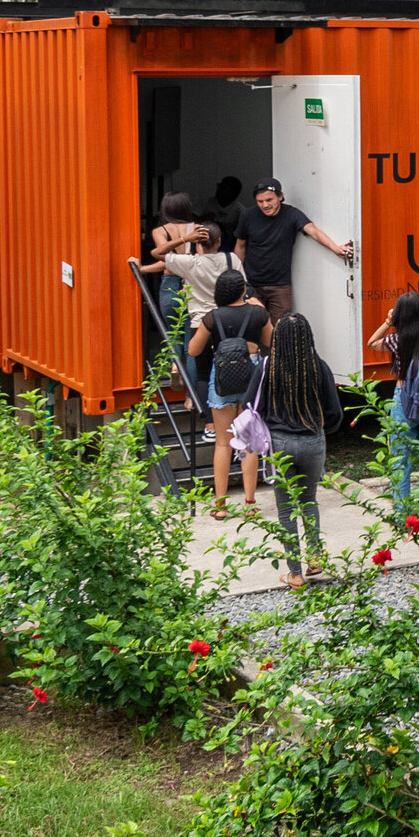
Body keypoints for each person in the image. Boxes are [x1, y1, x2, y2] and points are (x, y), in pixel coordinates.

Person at [248, 313, 344, 589]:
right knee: (310, 500)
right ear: (307, 337)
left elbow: (250, 405)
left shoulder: (268, 367)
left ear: (278, 338)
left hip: (280, 443)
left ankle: (295, 573)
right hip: (313, 440)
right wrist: (320, 431)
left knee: (286, 508)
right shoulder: (319, 367)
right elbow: (334, 412)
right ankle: (315, 557)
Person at [188, 270, 271, 519]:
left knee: (223, 443)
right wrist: (259, 309)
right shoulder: (258, 313)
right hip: (251, 378)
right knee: (248, 441)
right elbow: (273, 340)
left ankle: (220, 505)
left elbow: (193, 350)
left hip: (222, 377)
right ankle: (249, 503)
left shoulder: (212, 317)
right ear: (243, 290)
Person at [366, 291, 419, 508]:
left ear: (400, 316)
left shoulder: (397, 339)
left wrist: (387, 322)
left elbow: (371, 342)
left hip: (403, 400)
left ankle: (402, 515)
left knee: (400, 462)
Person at [145, 221, 234, 421]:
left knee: (200, 367)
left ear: (197, 244)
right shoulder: (231, 259)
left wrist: (185, 240)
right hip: (225, 319)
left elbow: (158, 254)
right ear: (219, 241)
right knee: (224, 366)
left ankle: (207, 419)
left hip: (200, 322)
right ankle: (226, 412)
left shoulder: (190, 263)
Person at [233, 177, 353, 321]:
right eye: (260, 201)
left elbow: (313, 231)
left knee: (283, 330)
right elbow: (240, 246)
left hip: (280, 285)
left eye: (269, 200)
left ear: (280, 196)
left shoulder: (291, 214)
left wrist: (336, 249)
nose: (265, 205)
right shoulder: (248, 215)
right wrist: (237, 277)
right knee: (251, 327)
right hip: (251, 283)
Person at [151, 192, 201, 370]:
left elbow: (165, 258)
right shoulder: (198, 229)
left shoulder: (160, 231)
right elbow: (201, 262)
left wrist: (142, 269)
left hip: (169, 284)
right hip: (192, 285)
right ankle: (189, 397)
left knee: (173, 333)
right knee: (191, 341)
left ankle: (175, 367)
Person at [205, 176, 246, 251]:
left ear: (234, 194)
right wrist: (204, 219)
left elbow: (244, 232)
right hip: (205, 244)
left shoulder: (239, 210)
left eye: (224, 188)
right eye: (219, 187)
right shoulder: (206, 203)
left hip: (228, 246)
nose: (219, 190)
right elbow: (191, 221)